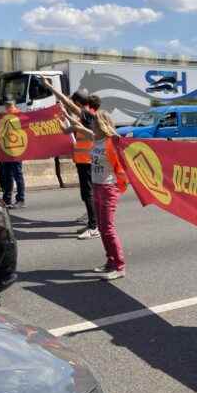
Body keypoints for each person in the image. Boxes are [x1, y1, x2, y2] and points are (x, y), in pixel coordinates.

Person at [64, 109, 129, 280]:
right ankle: (110, 261)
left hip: (109, 187)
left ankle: (119, 266)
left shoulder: (112, 141)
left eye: (94, 122)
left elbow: (125, 144)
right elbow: (81, 128)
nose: (91, 124)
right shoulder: (96, 138)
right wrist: (68, 117)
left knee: (107, 228)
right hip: (97, 186)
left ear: (101, 124)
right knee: (101, 227)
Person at [39, 76, 100, 240]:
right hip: (82, 160)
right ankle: (92, 221)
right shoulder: (84, 116)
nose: (71, 106)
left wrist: (49, 87)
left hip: (87, 161)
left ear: (79, 103)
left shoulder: (88, 114)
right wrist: (62, 120)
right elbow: (69, 129)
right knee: (86, 193)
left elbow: (66, 101)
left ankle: (94, 226)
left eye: (74, 104)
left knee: (88, 193)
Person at [0, 99, 26, 209]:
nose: (8, 107)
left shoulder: (18, 116)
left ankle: (20, 199)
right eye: (7, 105)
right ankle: (7, 199)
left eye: (9, 105)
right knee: (8, 175)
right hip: (7, 150)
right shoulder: (3, 116)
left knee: (16, 175)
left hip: (16, 150)